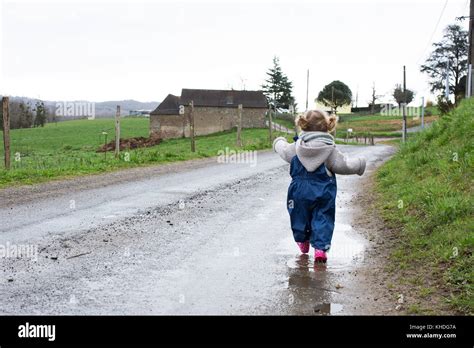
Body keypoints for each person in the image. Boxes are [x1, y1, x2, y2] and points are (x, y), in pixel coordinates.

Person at [273, 109, 366, 263]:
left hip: (299, 192)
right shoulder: (330, 150)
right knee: (323, 218)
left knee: (299, 216)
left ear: (303, 125)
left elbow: (283, 151)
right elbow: (344, 165)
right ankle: (320, 249)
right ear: (327, 126)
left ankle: (302, 242)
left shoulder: (296, 147)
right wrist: (359, 164)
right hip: (324, 192)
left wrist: (278, 142)